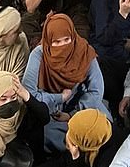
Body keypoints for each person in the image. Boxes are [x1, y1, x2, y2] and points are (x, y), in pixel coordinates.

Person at [22, 13, 110, 152]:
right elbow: (30, 95)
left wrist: (72, 114)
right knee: (45, 136)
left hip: (81, 105)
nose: (62, 46)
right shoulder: (38, 55)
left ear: (73, 37)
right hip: (51, 110)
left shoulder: (84, 52)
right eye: (56, 42)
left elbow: (96, 90)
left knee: (100, 127)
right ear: (48, 40)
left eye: (66, 40)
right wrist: (60, 98)